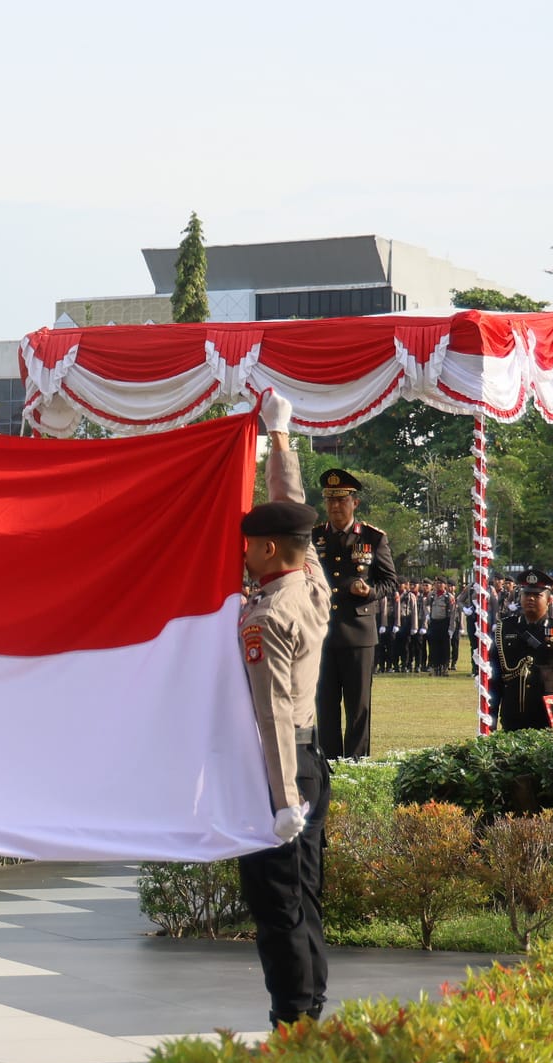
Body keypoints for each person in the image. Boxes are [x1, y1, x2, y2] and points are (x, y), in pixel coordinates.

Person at [237, 393, 333, 1028]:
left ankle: (295, 1021)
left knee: (278, 904)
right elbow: (293, 509)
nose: (241, 552)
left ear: (269, 550)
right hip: (310, 758)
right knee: (307, 896)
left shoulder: (269, 613)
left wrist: (280, 800)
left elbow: (270, 712)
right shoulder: (311, 579)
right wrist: (280, 436)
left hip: (283, 768)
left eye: (249, 545)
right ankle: (309, 1008)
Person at [311, 469, 397, 760]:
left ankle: (357, 764)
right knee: (325, 704)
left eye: (342, 500)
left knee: (358, 706)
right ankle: (330, 764)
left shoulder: (372, 538)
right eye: (330, 500)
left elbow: (389, 582)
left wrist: (369, 592)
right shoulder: (313, 538)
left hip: (359, 634)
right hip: (321, 633)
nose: (335, 506)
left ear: (354, 503)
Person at [493, 567, 553, 730]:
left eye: (537, 595)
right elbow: (495, 677)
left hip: (548, 715)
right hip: (514, 712)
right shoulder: (505, 628)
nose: (530, 599)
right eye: (527, 594)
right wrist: (489, 718)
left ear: (549, 600)